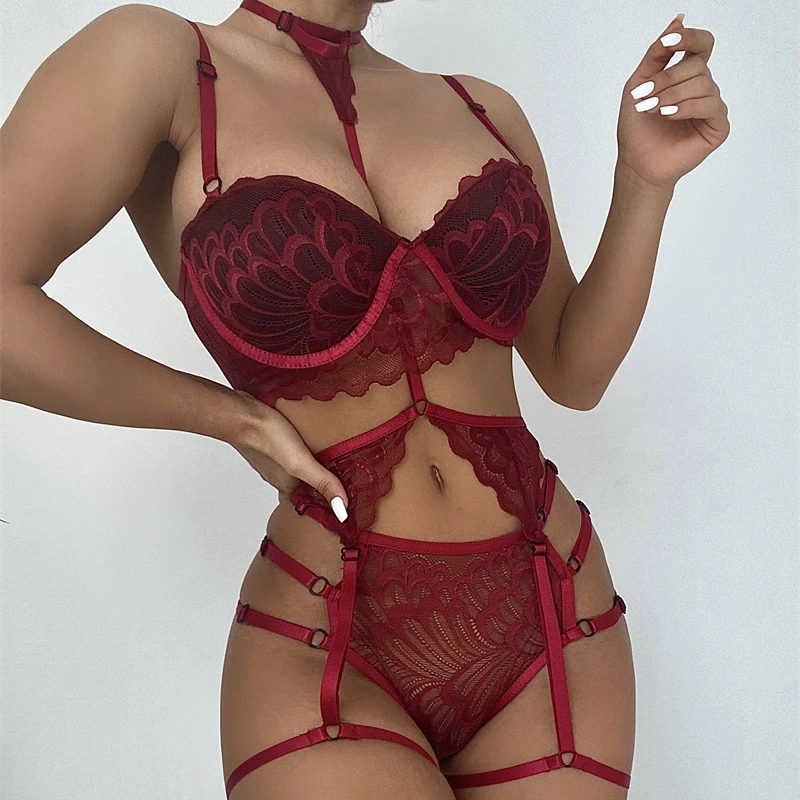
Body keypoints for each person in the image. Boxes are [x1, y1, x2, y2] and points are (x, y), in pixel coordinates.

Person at [0, 1, 729, 797]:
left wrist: (642, 181)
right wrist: (230, 418)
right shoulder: (161, 62)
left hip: (555, 612)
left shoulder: (483, 108)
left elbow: (571, 370)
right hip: (327, 631)